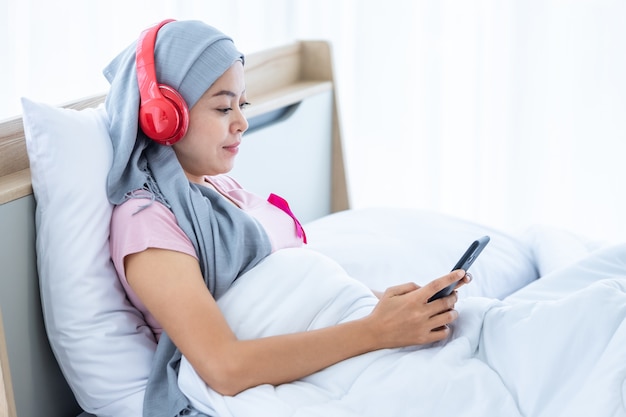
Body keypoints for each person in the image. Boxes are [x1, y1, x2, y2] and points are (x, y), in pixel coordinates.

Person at [104, 19, 471, 416]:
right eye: (224, 107)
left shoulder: (217, 187)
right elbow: (224, 368)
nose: (241, 122)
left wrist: (392, 306)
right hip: (328, 365)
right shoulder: (147, 222)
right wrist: (376, 331)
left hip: (351, 331)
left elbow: (299, 290)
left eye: (242, 105)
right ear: (165, 116)